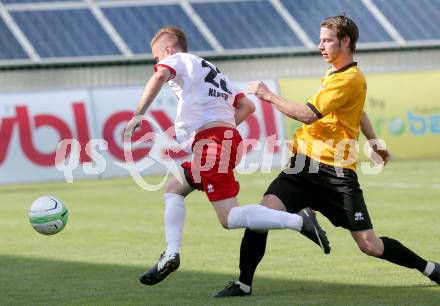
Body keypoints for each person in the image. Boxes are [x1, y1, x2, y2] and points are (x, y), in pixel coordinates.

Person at [214, 15, 440, 297]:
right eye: (320, 39)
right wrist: (374, 140)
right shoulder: (334, 73)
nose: (319, 45)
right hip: (302, 165)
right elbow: (357, 112)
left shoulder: (350, 78)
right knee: (260, 218)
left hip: (336, 174)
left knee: (370, 244)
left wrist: (267, 94)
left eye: (326, 40)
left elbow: (308, 115)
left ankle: (430, 268)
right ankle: (243, 284)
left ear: (345, 41)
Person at [124, 26, 331, 286]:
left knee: (229, 218)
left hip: (212, 144)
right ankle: (171, 254)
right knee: (174, 188)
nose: (158, 63)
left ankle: (298, 220)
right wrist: (221, 127)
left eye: (157, 58)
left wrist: (138, 115)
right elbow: (247, 106)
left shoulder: (177, 60)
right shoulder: (210, 70)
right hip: (221, 140)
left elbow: (159, 77)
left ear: (168, 50)